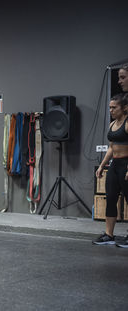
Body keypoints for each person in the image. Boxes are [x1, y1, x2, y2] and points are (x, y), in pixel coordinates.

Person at [94, 64, 128, 247]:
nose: (110, 110)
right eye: (109, 107)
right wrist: (101, 166)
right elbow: (111, 147)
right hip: (114, 165)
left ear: (124, 108)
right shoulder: (112, 125)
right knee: (111, 198)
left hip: (126, 164)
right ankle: (109, 234)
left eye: (114, 108)